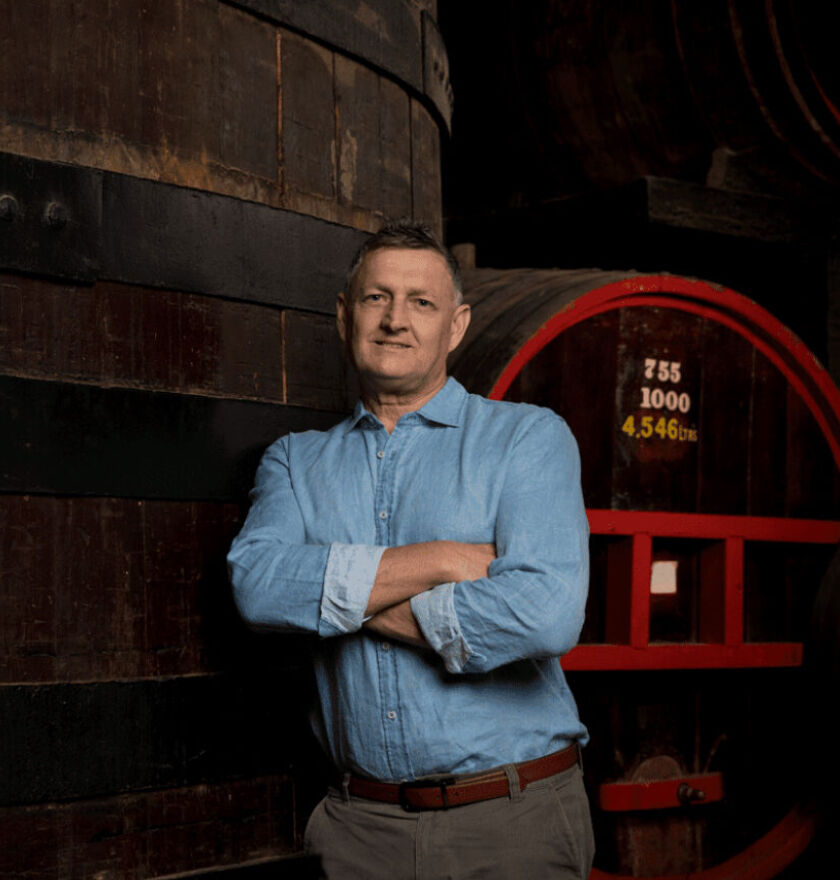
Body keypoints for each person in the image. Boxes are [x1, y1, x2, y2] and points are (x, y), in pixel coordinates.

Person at [227, 220, 594, 878]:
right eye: (376, 298)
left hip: (511, 823)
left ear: (455, 326)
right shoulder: (295, 461)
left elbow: (545, 612)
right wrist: (444, 560)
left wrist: (335, 602)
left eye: (420, 302)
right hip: (355, 832)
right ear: (345, 316)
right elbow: (258, 586)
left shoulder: (527, 440)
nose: (396, 319)